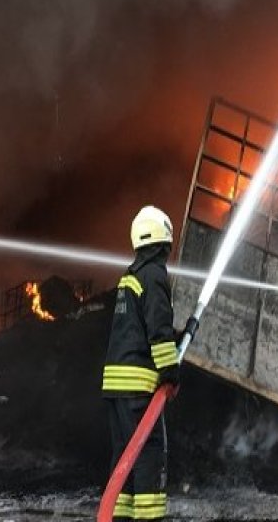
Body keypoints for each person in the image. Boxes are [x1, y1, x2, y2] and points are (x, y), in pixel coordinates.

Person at [102, 205, 179, 522]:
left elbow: (135, 328)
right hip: (138, 386)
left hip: (116, 385)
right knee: (148, 453)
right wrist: (170, 369)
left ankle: (119, 517)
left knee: (125, 456)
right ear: (164, 239)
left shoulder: (129, 277)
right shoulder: (155, 274)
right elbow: (158, 327)